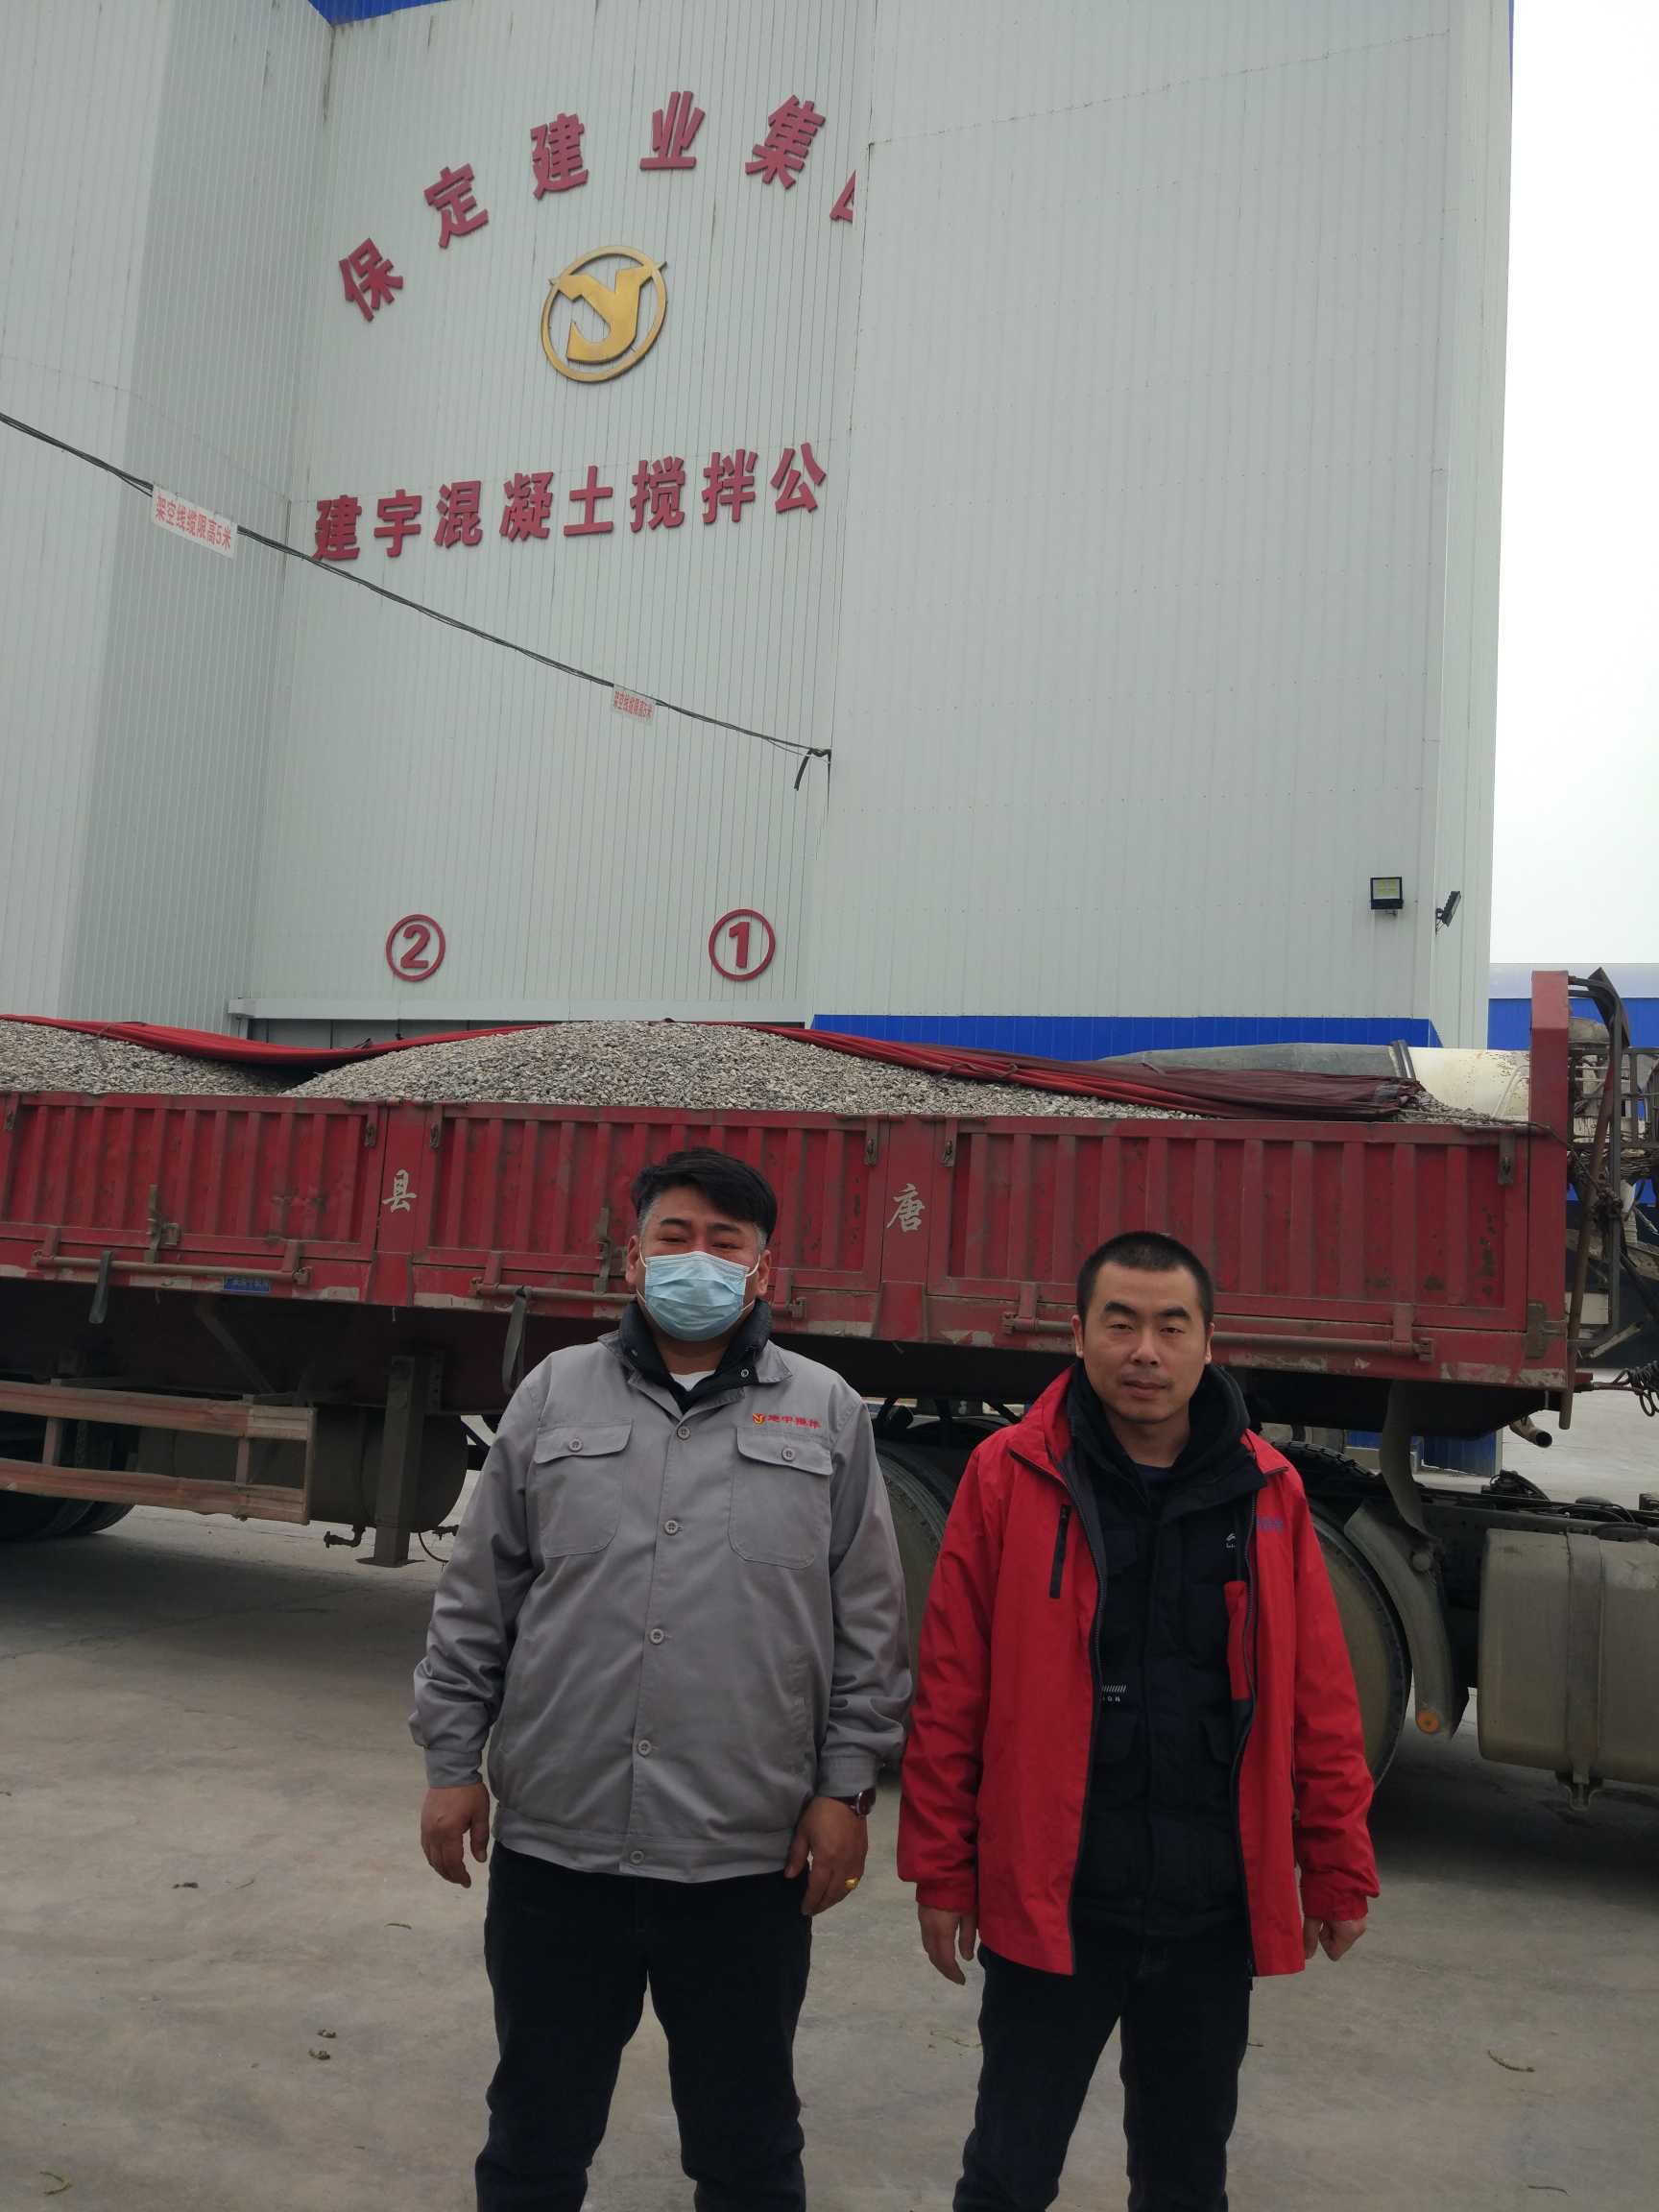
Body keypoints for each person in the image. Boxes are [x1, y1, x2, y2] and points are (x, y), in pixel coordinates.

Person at [412, 1146, 909, 2212]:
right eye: (674, 1237)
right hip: (560, 1848)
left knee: (748, 2148)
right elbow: (478, 1594)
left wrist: (846, 1789)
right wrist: (452, 1764)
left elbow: (869, 1624)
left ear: (764, 1271)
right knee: (535, 2136)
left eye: (725, 1243)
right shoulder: (553, 1393)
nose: (698, 1259)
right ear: (631, 1259)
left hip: (744, 1858)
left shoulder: (826, 1410)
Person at [899, 1231, 1378, 2212]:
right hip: (1057, 1903)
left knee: (1185, 2178)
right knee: (1008, 2172)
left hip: (1209, 1911)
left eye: (1171, 1327)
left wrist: (1337, 1864)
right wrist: (942, 1869)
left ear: (1209, 1342)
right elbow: (952, 1691)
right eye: (1120, 1325)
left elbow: (1320, 1703)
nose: (1145, 1352)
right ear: (1078, 1335)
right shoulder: (1007, 1476)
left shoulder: (1269, 1494)